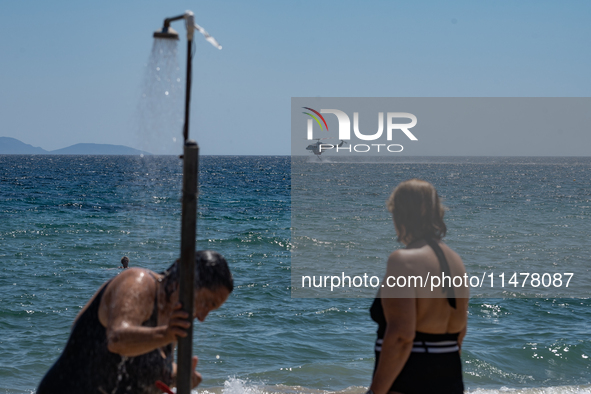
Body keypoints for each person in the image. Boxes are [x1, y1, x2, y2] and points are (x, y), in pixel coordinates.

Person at [37, 250, 233, 394]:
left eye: (212, 309)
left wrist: (179, 376)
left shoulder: (171, 316)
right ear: (187, 280)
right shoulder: (139, 282)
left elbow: (145, 366)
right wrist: (165, 334)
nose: (203, 317)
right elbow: (117, 339)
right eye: (206, 303)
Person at [368, 179, 469, 394]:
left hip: (410, 379)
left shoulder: (403, 261)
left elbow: (401, 336)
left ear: (400, 215)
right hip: (450, 378)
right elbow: (460, 332)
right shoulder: (456, 261)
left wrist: (375, 392)